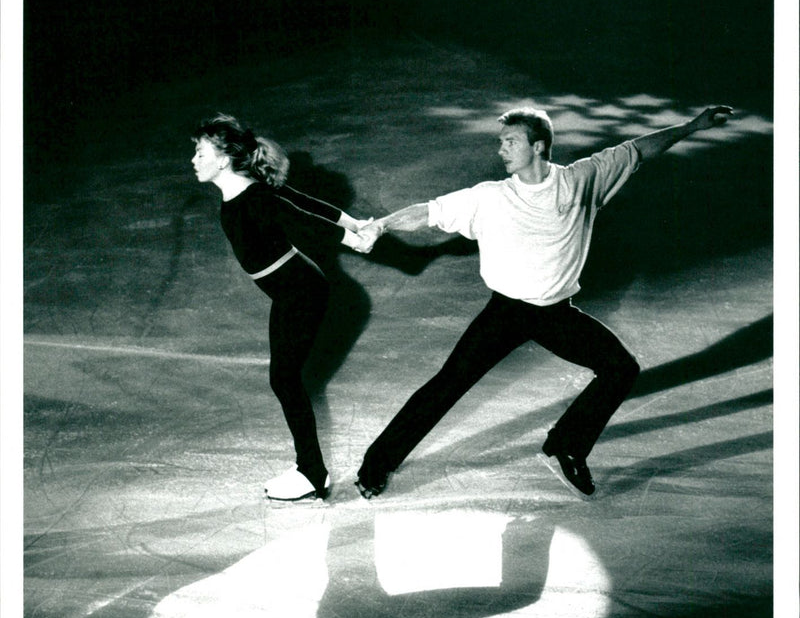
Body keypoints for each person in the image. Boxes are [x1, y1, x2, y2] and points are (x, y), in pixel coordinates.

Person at [354, 104, 734, 500]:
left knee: (621, 368)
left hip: (556, 314)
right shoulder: (490, 197)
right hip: (505, 313)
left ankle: (567, 443)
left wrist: (692, 126)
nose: (501, 150)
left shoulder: (582, 180)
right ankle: (375, 466)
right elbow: (429, 212)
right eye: (501, 142)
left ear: (538, 147)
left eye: (511, 142)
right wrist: (382, 224)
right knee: (446, 386)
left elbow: (638, 149)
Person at [192, 114, 372, 502]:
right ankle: (309, 468)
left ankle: (311, 473)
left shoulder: (252, 198)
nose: (194, 158)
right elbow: (300, 199)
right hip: (291, 291)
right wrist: (354, 223)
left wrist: (354, 238)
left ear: (223, 159)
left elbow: (301, 218)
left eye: (201, 151)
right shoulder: (250, 193)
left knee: (285, 380)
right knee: (284, 379)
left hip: (301, 292)